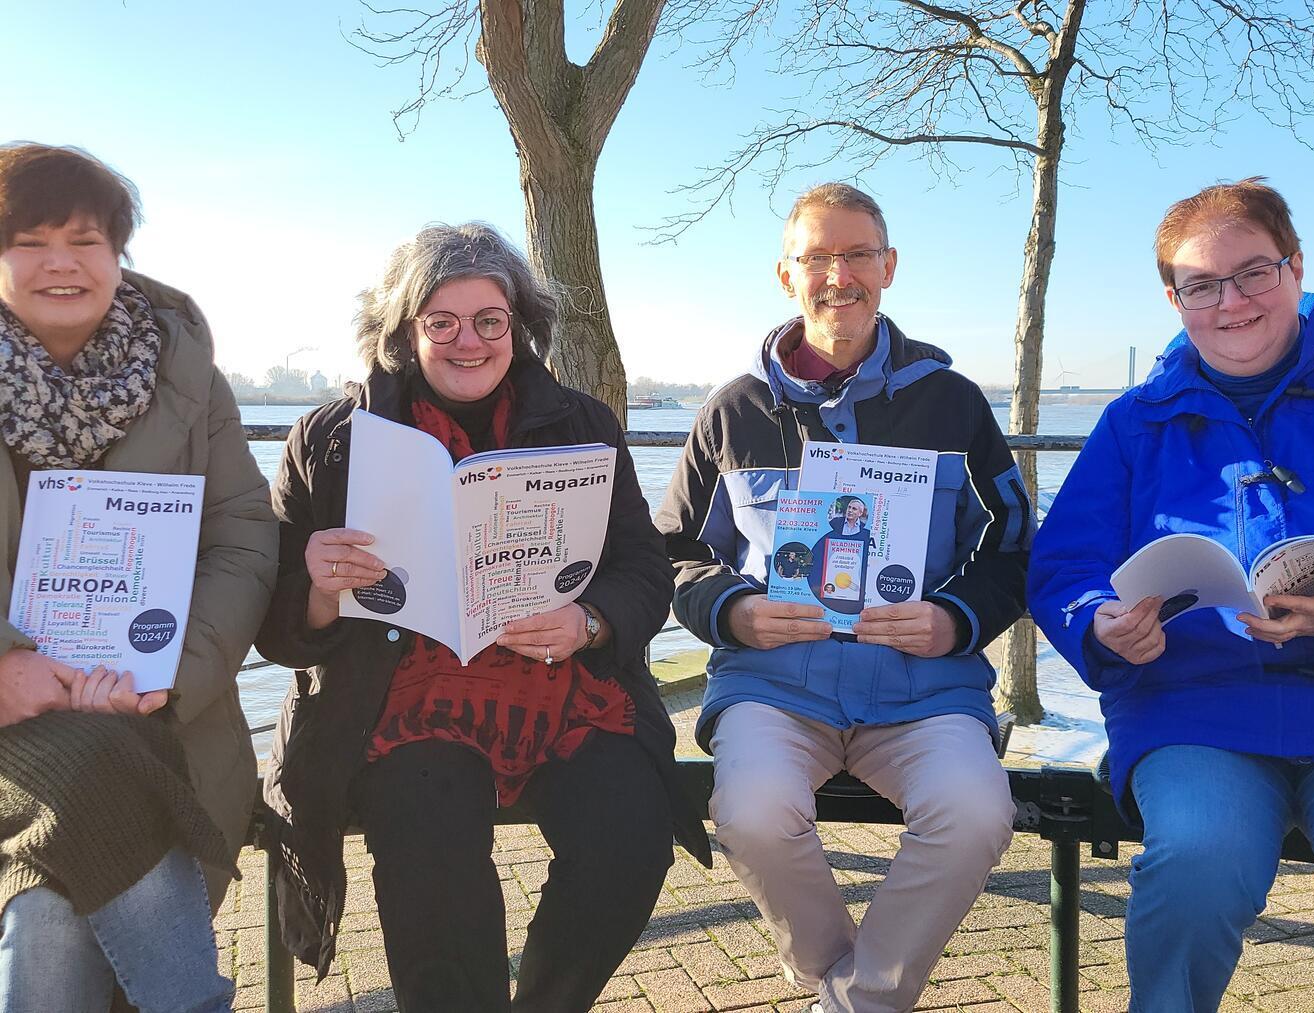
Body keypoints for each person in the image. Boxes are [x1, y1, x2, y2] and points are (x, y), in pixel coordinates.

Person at [257, 222, 712, 1012]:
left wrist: (590, 621)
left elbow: (644, 569)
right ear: (404, 330)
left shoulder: (583, 423)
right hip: (400, 700)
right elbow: (274, 624)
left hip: (561, 688)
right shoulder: (329, 440)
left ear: (519, 324)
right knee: (429, 855)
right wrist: (319, 588)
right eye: (442, 321)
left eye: (489, 320)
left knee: (630, 841)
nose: (468, 341)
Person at [657, 183, 1031, 1013]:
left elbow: (1012, 546)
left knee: (975, 814)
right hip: (775, 687)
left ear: (888, 266)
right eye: (818, 257)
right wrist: (734, 611)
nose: (839, 275)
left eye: (858, 254)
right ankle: (847, 983)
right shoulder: (733, 411)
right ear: (785, 273)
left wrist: (954, 619)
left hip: (924, 690)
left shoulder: (954, 402)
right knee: (751, 814)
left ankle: (851, 1000)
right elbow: (676, 552)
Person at [1027, 177, 1314, 1012]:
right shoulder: (1136, 421)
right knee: (1196, 861)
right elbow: (1064, 566)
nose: (1232, 303)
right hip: (1197, 707)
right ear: (1174, 300)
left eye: (1253, 273)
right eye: (1201, 285)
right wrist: (1100, 624)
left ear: (1296, 267)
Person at [0, 143, 278, 1010]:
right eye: (29, 241)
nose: (61, 262)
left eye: (85, 240)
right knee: (56, 885)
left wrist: (169, 675)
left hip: (163, 716)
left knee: (48, 912)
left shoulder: (188, 376)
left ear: (119, 254)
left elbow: (243, 537)